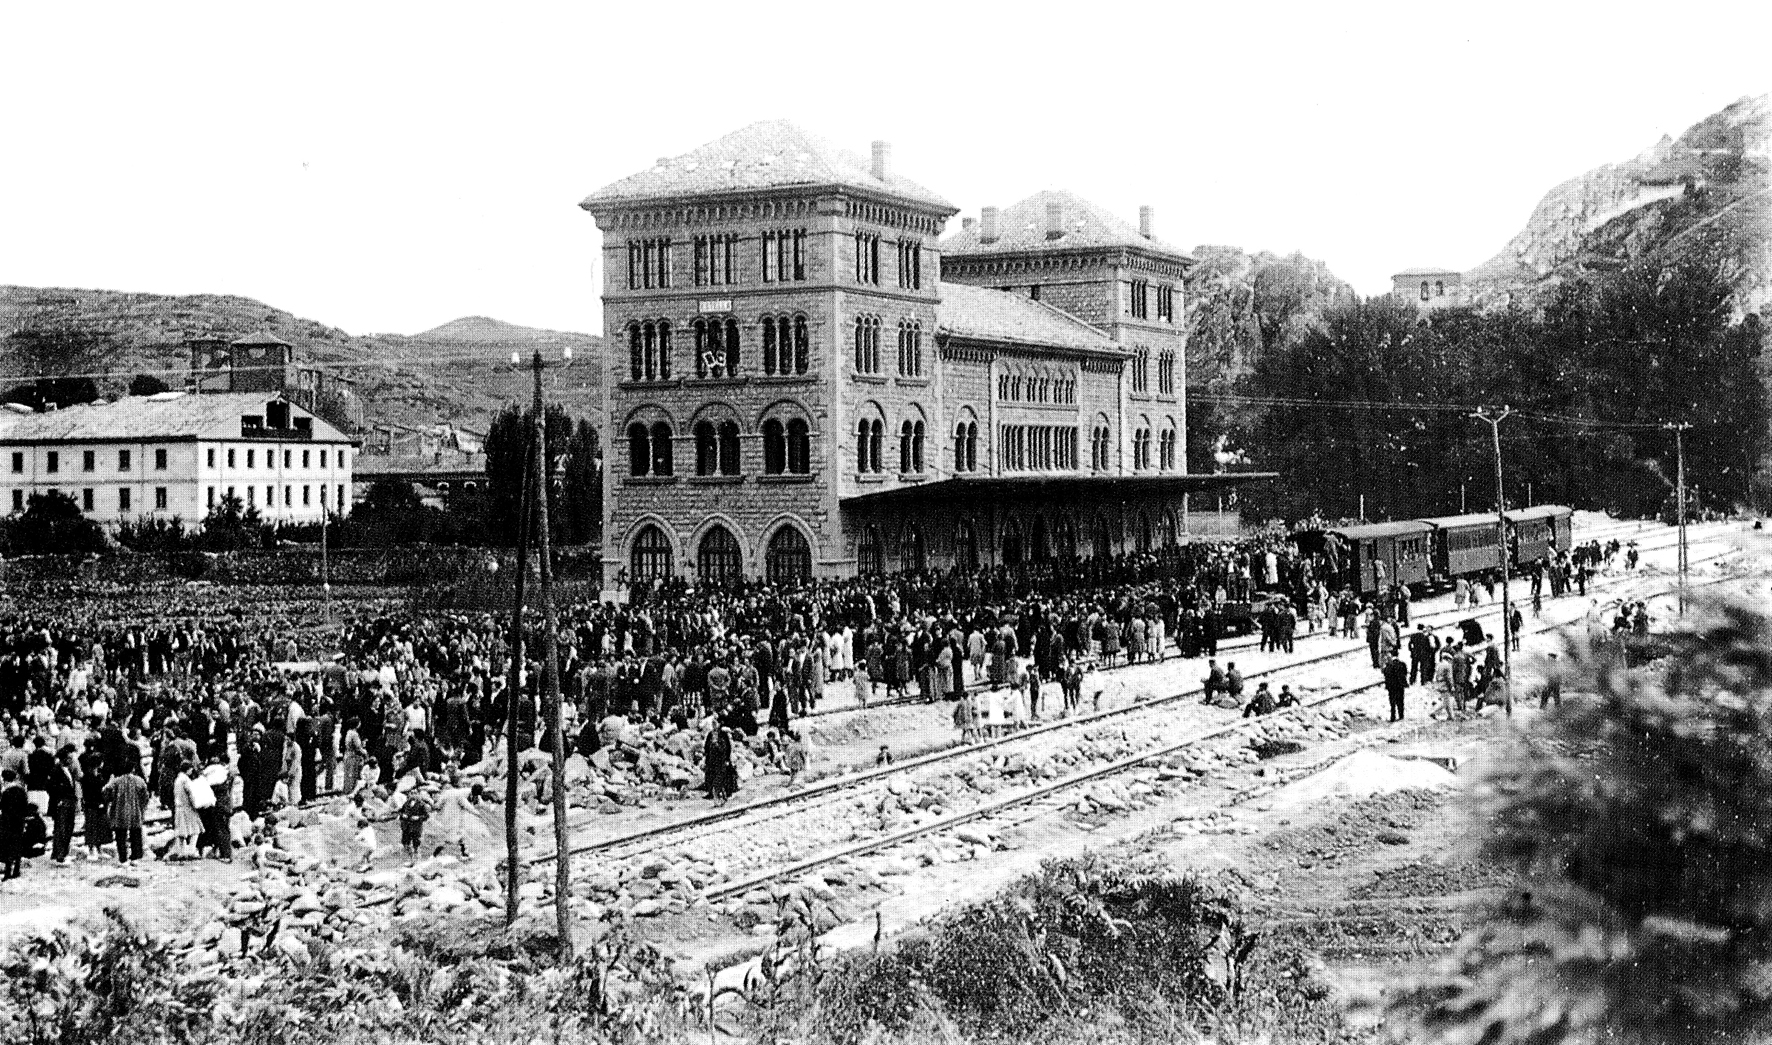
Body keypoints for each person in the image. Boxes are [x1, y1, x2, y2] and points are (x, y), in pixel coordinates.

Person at [103, 757, 148, 864]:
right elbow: (145, 796)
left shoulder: (116, 781)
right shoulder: (139, 781)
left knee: (120, 836)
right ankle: (135, 857)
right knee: (136, 835)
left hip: (119, 812)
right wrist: (142, 807)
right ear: (132, 769)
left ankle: (123, 858)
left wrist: (110, 802)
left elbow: (106, 792)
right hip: (135, 811)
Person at [0, 769, 29, 880]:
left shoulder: (6, 792)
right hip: (19, 821)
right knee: (17, 844)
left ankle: (8, 872)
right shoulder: (21, 791)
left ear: (4, 779)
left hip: (7, 822)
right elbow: (25, 807)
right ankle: (16, 869)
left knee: (7, 845)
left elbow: (3, 807)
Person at [1383, 651, 1409, 722]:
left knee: (1392, 703)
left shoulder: (1388, 666)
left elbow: (1386, 675)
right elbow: (1405, 673)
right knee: (1400, 701)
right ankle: (1401, 715)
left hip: (1391, 687)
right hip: (1400, 686)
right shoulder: (1402, 664)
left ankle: (1393, 716)